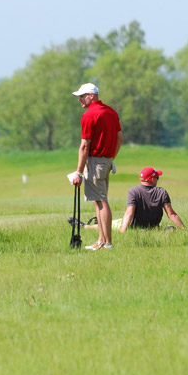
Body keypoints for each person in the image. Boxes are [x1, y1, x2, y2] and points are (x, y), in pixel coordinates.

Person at [69, 83, 122, 251]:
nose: (79, 99)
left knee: (101, 201)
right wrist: (111, 158)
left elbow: (84, 146)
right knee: (97, 200)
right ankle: (101, 240)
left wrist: (78, 171)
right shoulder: (111, 112)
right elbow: (120, 138)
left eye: (82, 96)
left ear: (91, 95)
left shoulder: (89, 115)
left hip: (94, 161)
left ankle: (108, 243)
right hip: (106, 161)